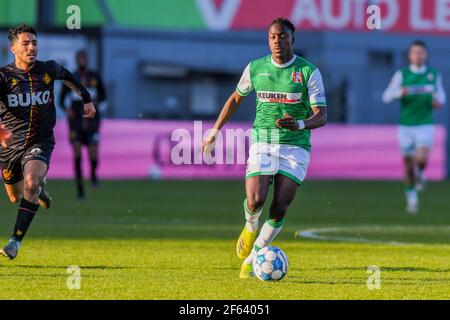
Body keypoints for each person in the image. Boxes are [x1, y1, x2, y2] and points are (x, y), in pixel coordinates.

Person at [202, 18, 327, 278]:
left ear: (293, 39)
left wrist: (300, 124)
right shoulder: (256, 68)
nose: (277, 41)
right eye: (272, 37)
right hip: (264, 139)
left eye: (282, 36)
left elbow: (321, 115)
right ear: (267, 40)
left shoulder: (308, 72)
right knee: (256, 199)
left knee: (280, 205)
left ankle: (253, 255)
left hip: (296, 146)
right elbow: (236, 98)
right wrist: (215, 130)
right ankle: (250, 226)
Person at [0, 24, 96, 260]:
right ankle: (39, 190)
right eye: (25, 43)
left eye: (34, 42)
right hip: (10, 148)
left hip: (40, 141)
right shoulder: (4, 77)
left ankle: (15, 242)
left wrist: (86, 99)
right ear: (13, 48)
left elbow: (68, 77)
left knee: (30, 183)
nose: (31, 47)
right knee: (15, 196)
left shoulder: (48, 69)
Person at [383, 40, 446, 214]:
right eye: (415, 52)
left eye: (421, 52)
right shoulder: (402, 75)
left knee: (421, 159)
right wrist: (399, 93)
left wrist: (437, 101)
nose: (418, 55)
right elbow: (386, 97)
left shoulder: (433, 75)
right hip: (406, 127)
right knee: (408, 166)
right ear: (410, 55)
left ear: (426, 55)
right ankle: (411, 197)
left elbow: (441, 98)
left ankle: (421, 173)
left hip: (425, 124)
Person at [59, 50, 106, 200]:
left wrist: (96, 104)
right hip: (76, 122)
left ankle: (93, 174)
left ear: (87, 59)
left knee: (93, 152)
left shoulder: (95, 76)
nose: (81, 60)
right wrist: (67, 110)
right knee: (77, 153)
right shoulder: (71, 78)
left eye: (83, 58)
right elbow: (61, 99)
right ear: (76, 60)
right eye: (79, 58)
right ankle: (80, 189)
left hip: (92, 121)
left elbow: (103, 95)